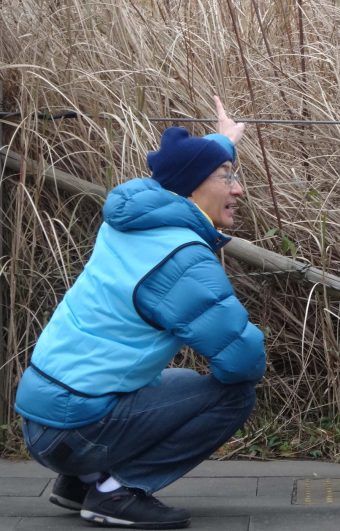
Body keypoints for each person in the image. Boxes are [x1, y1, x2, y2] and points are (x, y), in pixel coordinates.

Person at [14, 96, 266, 529]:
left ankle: (80, 481)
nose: (238, 189)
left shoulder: (132, 219)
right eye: (228, 178)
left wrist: (221, 143)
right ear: (192, 190)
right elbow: (242, 360)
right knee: (235, 393)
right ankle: (115, 492)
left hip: (42, 418)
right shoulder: (181, 257)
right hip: (72, 429)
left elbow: (179, 170)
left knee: (177, 381)